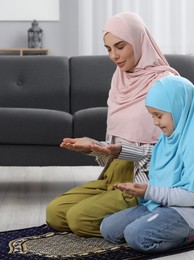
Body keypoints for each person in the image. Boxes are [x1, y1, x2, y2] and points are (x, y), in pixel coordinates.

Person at [45, 12, 179, 237]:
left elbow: (174, 150)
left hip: (144, 177)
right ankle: (123, 219)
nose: (114, 55)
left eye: (120, 46)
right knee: (55, 213)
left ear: (138, 41)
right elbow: (114, 147)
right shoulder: (119, 79)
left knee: (78, 220)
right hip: (111, 174)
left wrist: (121, 152)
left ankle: (151, 222)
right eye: (108, 49)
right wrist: (92, 147)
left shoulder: (166, 84)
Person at [96, 76, 194, 253]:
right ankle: (158, 224)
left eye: (159, 115)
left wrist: (148, 191)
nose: (155, 122)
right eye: (152, 115)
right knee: (108, 228)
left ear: (179, 109)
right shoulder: (166, 140)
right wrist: (140, 189)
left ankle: (191, 235)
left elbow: (192, 197)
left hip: (189, 213)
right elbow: (160, 178)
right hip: (159, 205)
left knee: (136, 236)